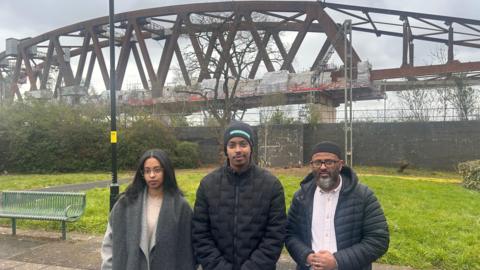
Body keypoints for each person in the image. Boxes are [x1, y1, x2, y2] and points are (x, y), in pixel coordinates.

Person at [192, 121, 286, 270]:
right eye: (232, 145)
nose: (238, 150)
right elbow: (200, 234)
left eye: (243, 144)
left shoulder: (271, 186)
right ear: (226, 150)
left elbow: (275, 235)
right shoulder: (207, 185)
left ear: (251, 147)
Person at [285, 141, 389, 270]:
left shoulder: (363, 196)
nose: (322, 167)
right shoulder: (301, 197)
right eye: (317, 162)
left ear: (340, 165)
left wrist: (337, 261)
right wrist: (306, 256)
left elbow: (378, 240)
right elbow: (290, 234)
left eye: (329, 162)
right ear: (312, 165)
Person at [101, 149, 196, 270]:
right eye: (147, 171)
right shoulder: (125, 203)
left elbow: (189, 248)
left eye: (157, 170)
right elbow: (109, 242)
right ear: (142, 173)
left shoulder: (181, 207)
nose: (152, 175)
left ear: (166, 171)